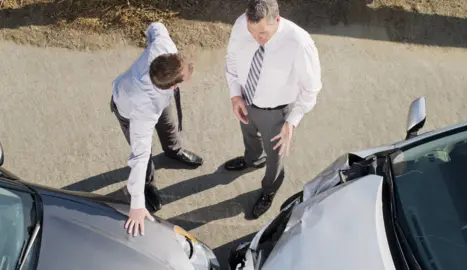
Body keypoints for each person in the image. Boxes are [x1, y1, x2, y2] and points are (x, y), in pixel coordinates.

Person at [224, 0, 322, 219]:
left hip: (276, 112)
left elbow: (311, 90)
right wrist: (235, 94)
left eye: (263, 33)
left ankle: (269, 189)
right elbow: (231, 57)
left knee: (275, 155)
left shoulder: (300, 43)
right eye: (252, 32)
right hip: (246, 98)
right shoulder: (242, 24)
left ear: (277, 20)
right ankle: (252, 159)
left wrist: (292, 121)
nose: (257, 38)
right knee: (248, 135)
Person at [110, 22, 204, 236]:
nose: (191, 69)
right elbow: (139, 156)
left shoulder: (163, 45)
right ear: (174, 85)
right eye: (186, 75)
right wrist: (136, 205)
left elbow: (156, 26)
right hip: (129, 110)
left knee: (169, 126)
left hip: (159, 97)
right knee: (146, 154)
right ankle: (148, 184)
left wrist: (148, 31)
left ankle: (174, 151)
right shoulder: (144, 110)